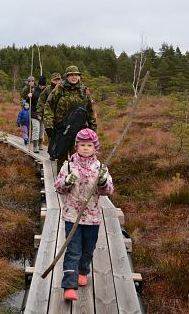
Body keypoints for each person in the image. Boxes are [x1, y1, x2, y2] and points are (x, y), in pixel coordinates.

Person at [54, 128, 113, 301]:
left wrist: (102, 182)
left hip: (93, 217)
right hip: (72, 216)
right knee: (73, 250)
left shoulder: (101, 168)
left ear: (95, 147)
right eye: (82, 145)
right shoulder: (69, 165)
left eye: (89, 145)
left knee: (88, 249)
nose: (85, 148)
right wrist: (66, 181)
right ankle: (69, 286)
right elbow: (58, 187)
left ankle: (83, 271)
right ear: (77, 146)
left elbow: (108, 190)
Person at [44, 66, 97, 163]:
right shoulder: (59, 89)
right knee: (61, 158)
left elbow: (90, 110)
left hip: (79, 131)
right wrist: (48, 126)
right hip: (61, 130)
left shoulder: (84, 90)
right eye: (71, 75)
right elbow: (49, 106)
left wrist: (93, 128)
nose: (74, 77)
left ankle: (75, 178)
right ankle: (61, 177)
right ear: (66, 76)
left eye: (76, 75)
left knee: (77, 159)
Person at [37, 72, 62, 151]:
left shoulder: (64, 88)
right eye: (55, 80)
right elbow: (41, 101)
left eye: (58, 80)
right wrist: (40, 112)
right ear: (52, 80)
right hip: (49, 116)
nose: (57, 82)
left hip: (61, 116)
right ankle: (52, 151)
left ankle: (58, 151)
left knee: (60, 135)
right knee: (51, 134)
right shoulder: (47, 89)